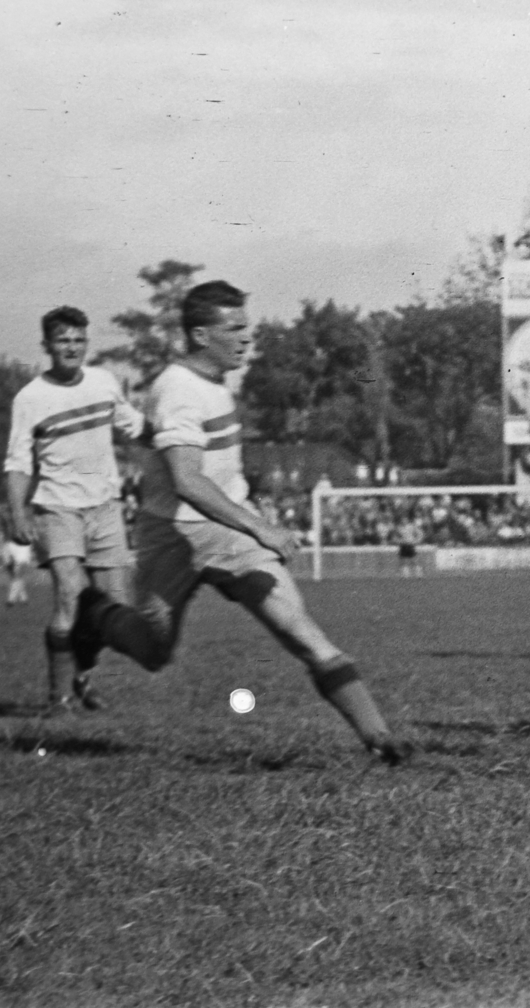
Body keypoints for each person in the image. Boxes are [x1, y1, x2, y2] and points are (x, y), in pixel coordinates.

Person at [67, 280, 413, 766]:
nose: (248, 338)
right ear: (202, 335)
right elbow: (187, 481)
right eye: (236, 329)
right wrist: (260, 527)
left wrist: (247, 528)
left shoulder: (213, 382)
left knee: (299, 629)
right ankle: (95, 614)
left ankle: (381, 739)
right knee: (153, 651)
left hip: (227, 532)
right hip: (172, 533)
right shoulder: (178, 390)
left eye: (247, 327)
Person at [4, 306, 145, 713]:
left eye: (78, 340)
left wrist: (171, 435)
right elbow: (17, 463)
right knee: (70, 596)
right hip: (57, 508)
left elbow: (130, 421)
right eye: (62, 340)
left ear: (87, 343)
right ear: (47, 345)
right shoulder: (30, 398)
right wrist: (18, 514)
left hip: (105, 506)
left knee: (114, 608)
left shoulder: (103, 382)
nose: (71, 347)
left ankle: (80, 674)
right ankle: (58, 697)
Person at [0, 533, 33, 607]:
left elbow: (7, 555)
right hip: (17, 562)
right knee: (18, 580)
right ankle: (23, 599)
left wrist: (8, 564)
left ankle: (11, 600)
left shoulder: (10, 544)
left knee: (16, 580)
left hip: (16, 562)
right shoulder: (21, 544)